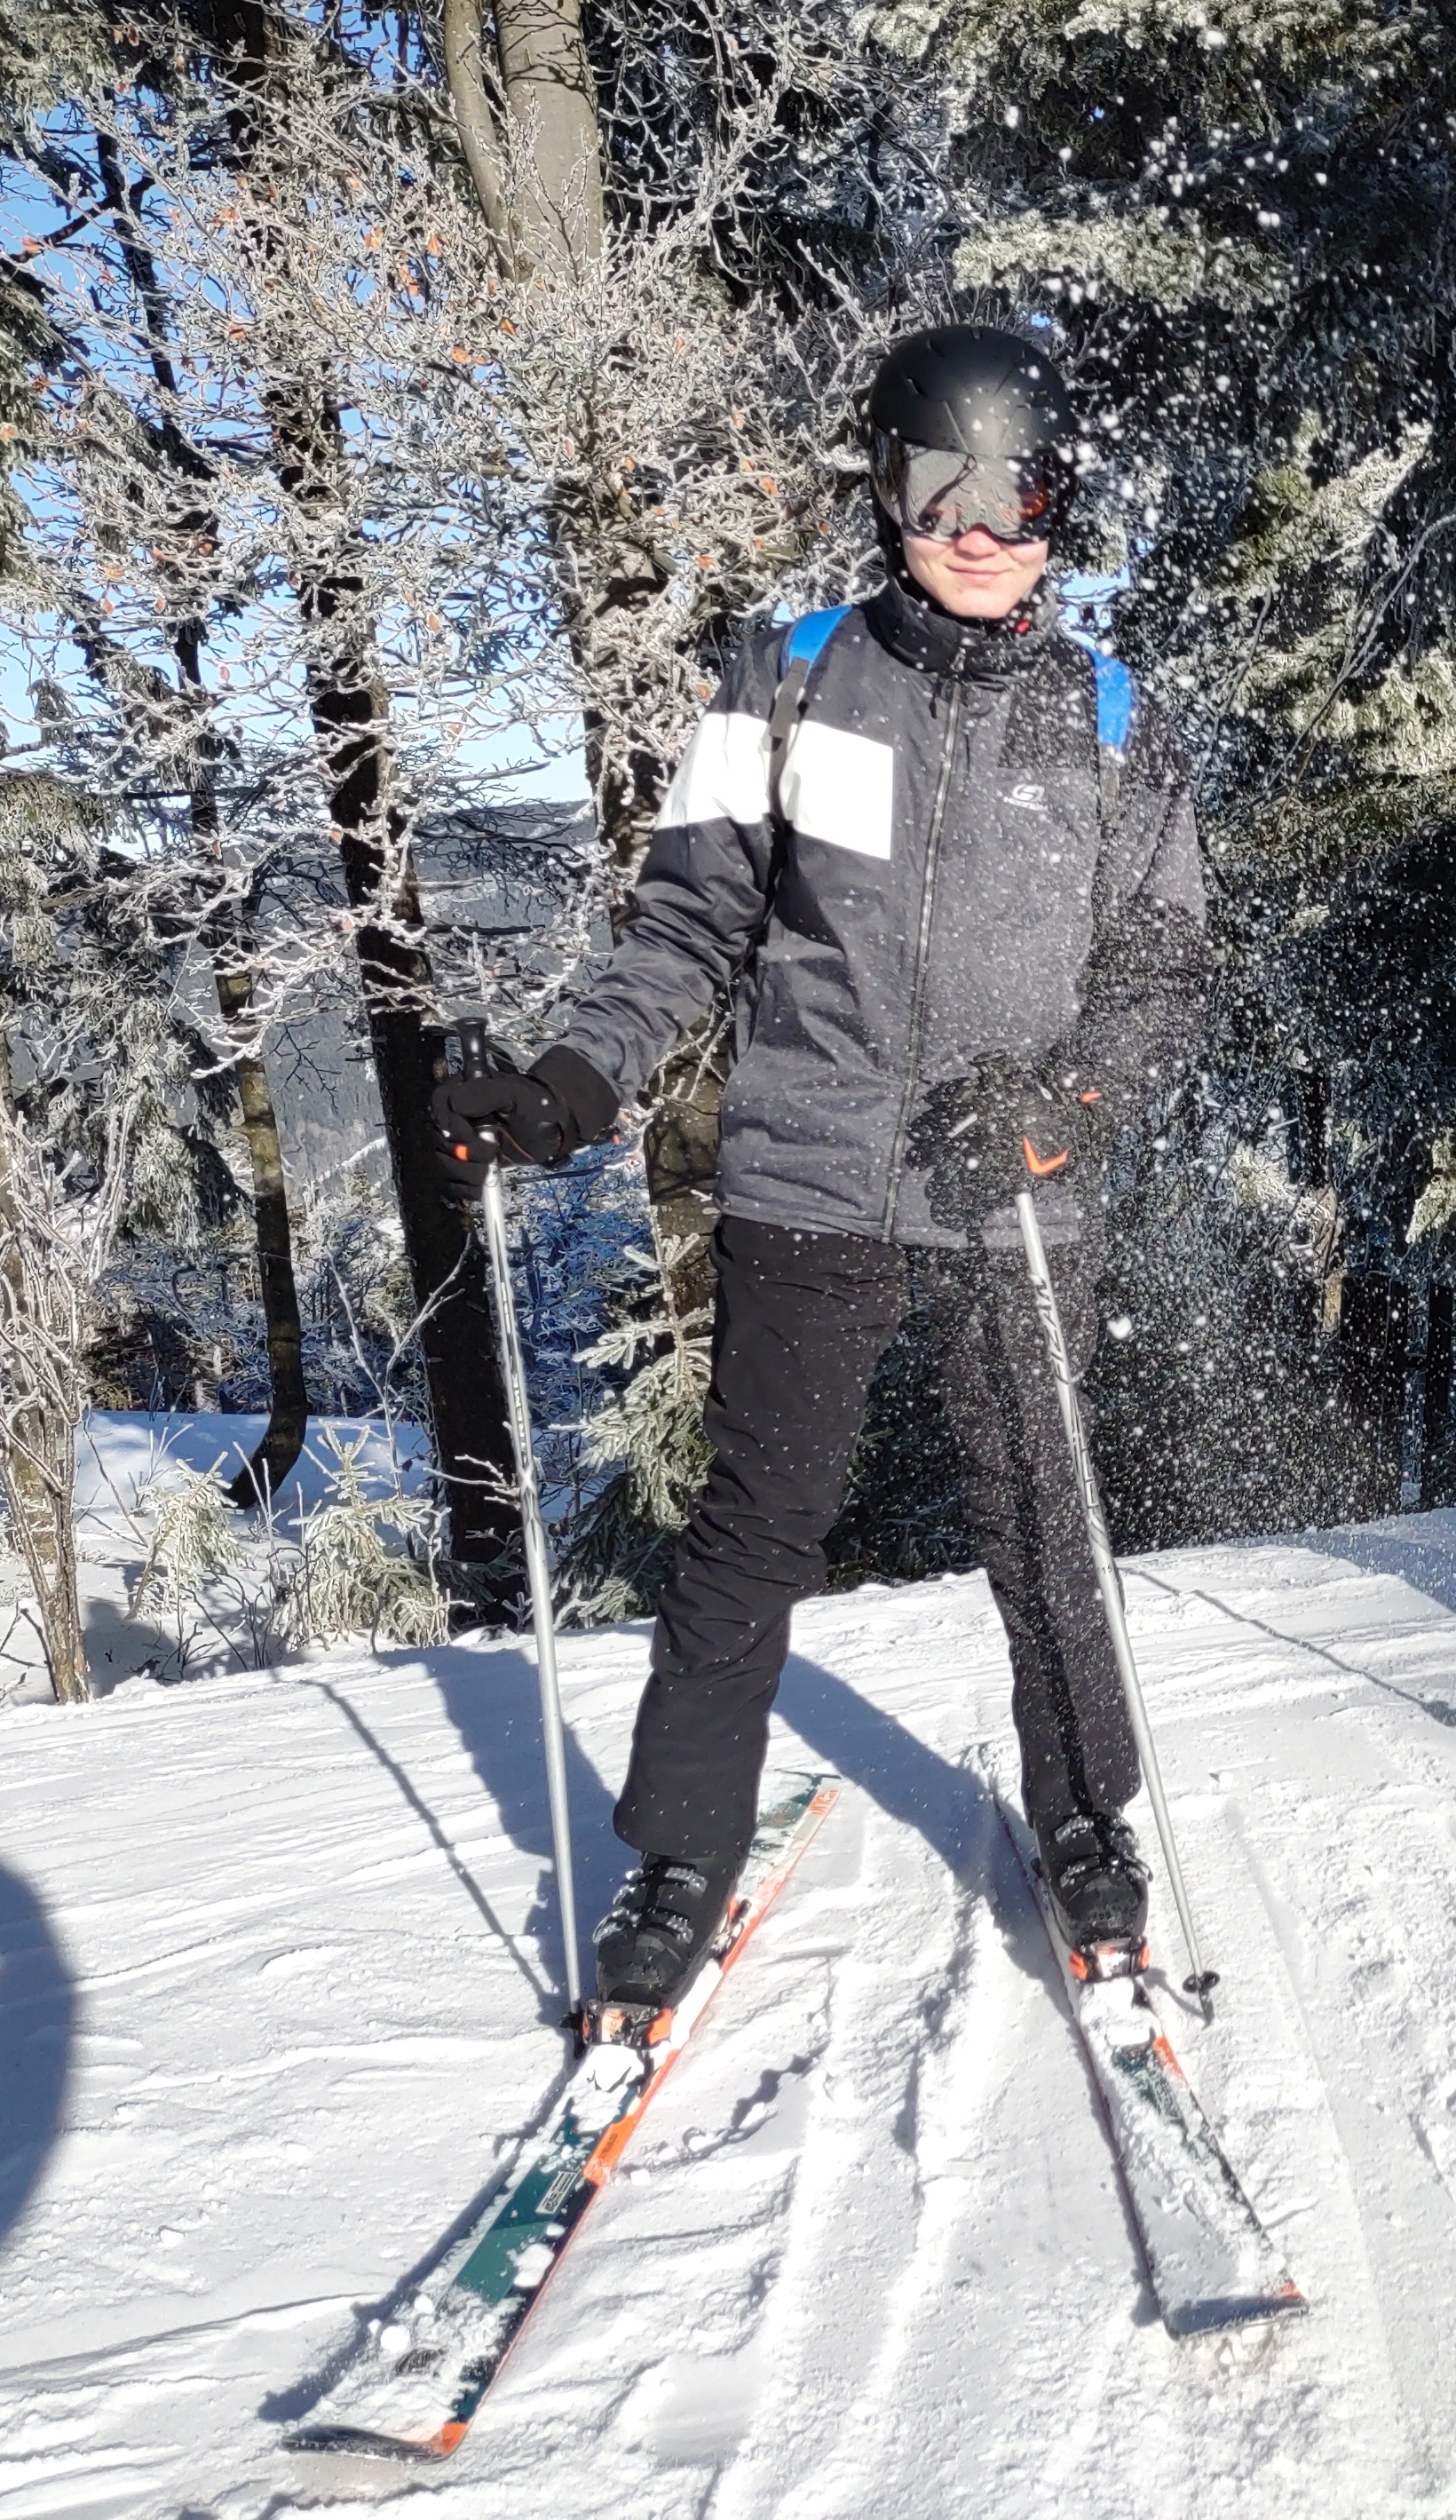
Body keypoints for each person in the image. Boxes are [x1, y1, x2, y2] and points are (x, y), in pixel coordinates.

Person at [430, 326, 1207, 2013]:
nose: (976, 530)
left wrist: (1062, 1105)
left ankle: (1084, 1817)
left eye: (1015, 493)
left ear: (1061, 505)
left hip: (1012, 1185)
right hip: (810, 1170)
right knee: (755, 1524)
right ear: (885, 494)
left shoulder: (1111, 717)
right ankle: (678, 1851)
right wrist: (577, 1080)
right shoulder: (786, 678)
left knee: (1044, 1519)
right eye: (938, 488)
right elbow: (687, 929)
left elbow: (1162, 973)